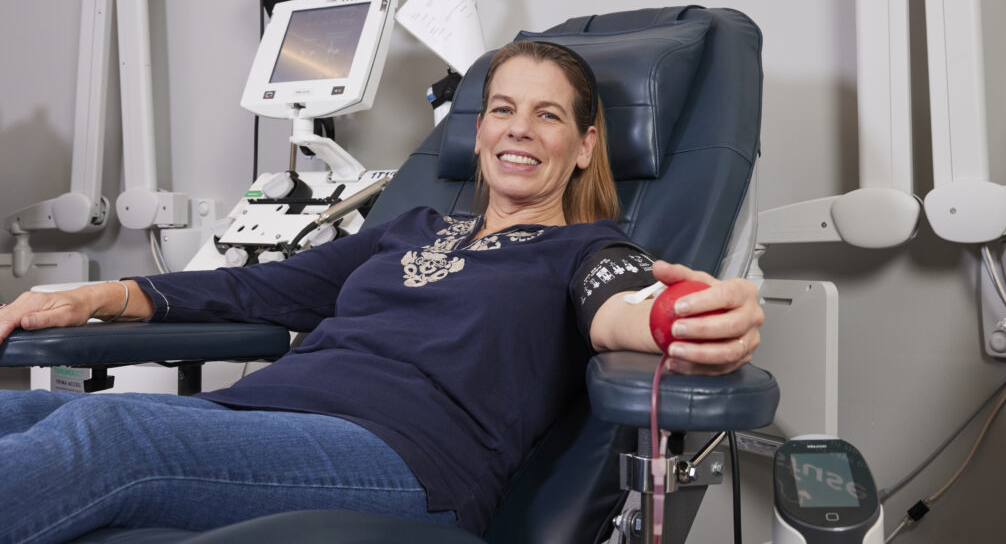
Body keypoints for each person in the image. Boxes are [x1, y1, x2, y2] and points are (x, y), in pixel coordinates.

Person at [0, 41, 764, 542]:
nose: (518, 129)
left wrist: (683, 316)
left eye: (548, 114)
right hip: (256, 417)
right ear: (477, 129)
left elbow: (623, 307)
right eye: (502, 108)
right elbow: (256, 288)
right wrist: (96, 297)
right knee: (22, 408)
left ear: (585, 143)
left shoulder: (586, 248)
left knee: (110, 438)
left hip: (404, 458)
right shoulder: (411, 228)